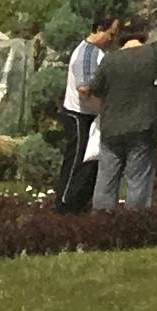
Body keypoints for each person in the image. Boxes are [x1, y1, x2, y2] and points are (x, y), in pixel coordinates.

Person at [88, 17, 157, 209]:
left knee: (106, 181)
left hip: (111, 127)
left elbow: (94, 89)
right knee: (138, 181)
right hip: (143, 126)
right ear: (143, 33)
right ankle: (134, 221)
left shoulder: (110, 59)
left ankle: (101, 219)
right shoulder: (152, 55)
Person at [55, 14, 116, 213]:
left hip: (90, 115)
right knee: (76, 162)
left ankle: (79, 203)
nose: (112, 40)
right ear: (99, 29)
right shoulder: (87, 54)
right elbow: (85, 89)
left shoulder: (98, 52)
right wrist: (105, 107)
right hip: (79, 115)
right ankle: (65, 204)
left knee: (89, 164)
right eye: (110, 34)